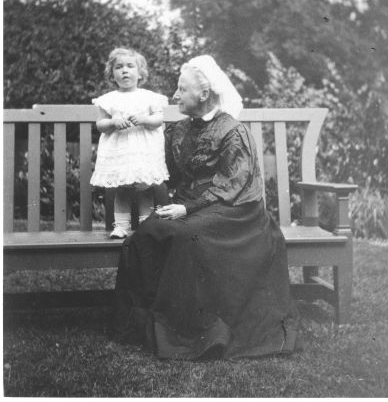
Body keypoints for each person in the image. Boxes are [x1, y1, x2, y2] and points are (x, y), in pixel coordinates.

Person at [111, 54, 299, 359]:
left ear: (203, 94)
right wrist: (144, 178)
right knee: (147, 233)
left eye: (181, 89)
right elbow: (168, 171)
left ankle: (200, 333)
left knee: (186, 238)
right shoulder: (180, 130)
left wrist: (187, 209)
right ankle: (146, 326)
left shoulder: (232, 131)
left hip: (236, 212)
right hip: (194, 206)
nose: (174, 95)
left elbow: (232, 183)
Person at [90, 47, 169, 239]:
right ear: (112, 73)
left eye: (130, 66)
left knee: (145, 188)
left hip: (143, 151)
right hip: (121, 151)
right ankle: (122, 226)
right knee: (122, 190)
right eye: (119, 67)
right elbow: (100, 124)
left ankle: (146, 224)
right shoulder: (108, 100)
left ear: (140, 72)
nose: (124, 70)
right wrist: (113, 122)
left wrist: (144, 119)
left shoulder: (150, 97)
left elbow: (159, 120)